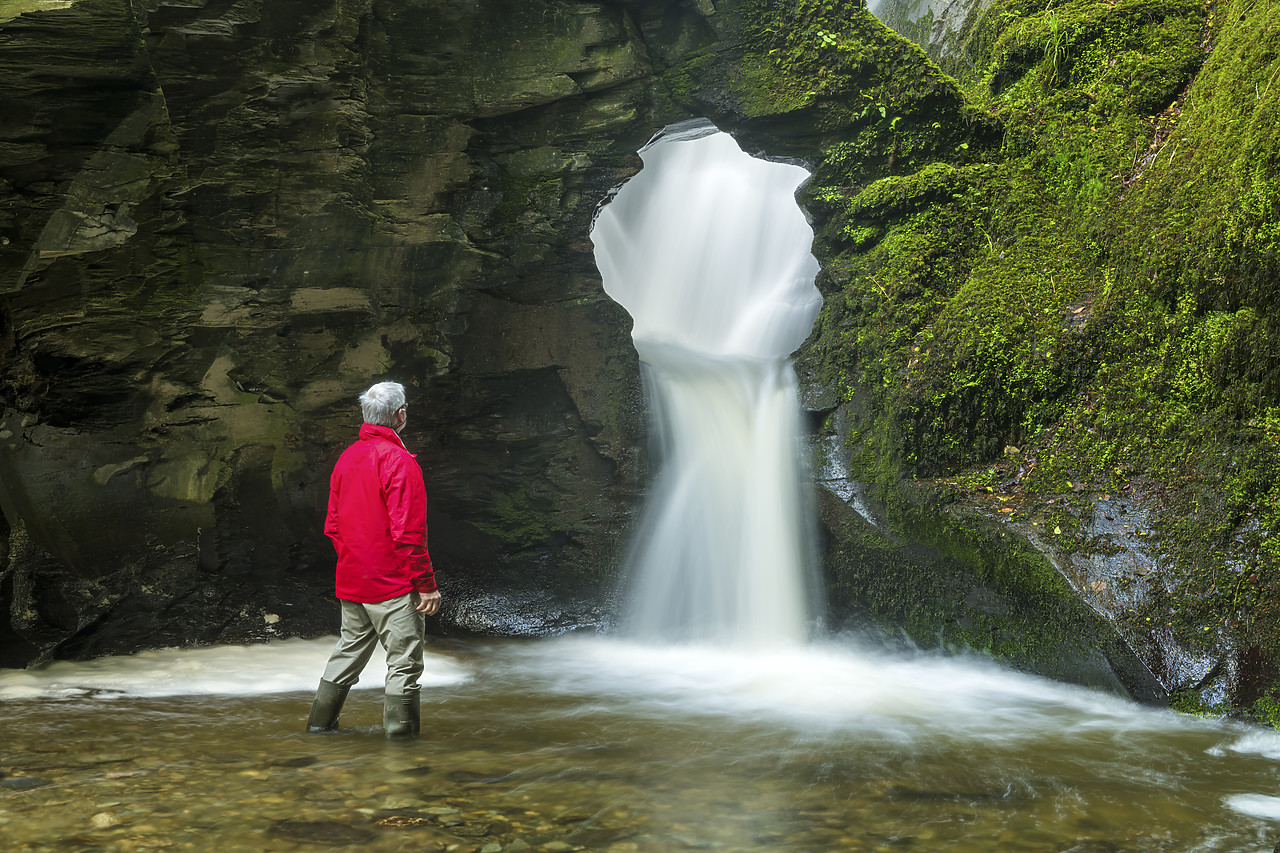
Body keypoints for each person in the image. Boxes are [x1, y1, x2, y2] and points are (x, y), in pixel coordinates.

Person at [305, 381, 442, 738]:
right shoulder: (400, 462)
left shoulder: (347, 458)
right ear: (400, 416)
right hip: (393, 585)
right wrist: (425, 586)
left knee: (347, 654)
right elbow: (408, 534)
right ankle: (402, 753)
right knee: (404, 666)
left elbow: (332, 526)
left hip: (352, 580)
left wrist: (357, 560)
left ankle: (317, 730)